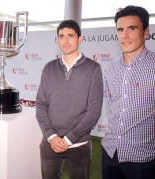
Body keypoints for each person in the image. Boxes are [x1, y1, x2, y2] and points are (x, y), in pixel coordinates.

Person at [102, 5, 155, 179]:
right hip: (110, 153)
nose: (125, 35)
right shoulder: (110, 68)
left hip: (147, 160)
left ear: (146, 32)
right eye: (120, 29)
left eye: (132, 28)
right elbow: (114, 108)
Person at [36, 20, 103, 179]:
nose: (66, 40)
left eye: (70, 36)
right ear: (58, 40)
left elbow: (94, 111)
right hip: (50, 143)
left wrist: (68, 139)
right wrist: (52, 137)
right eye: (61, 36)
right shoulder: (49, 67)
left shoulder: (93, 68)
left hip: (79, 144)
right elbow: (40, 105)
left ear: (79, 39)